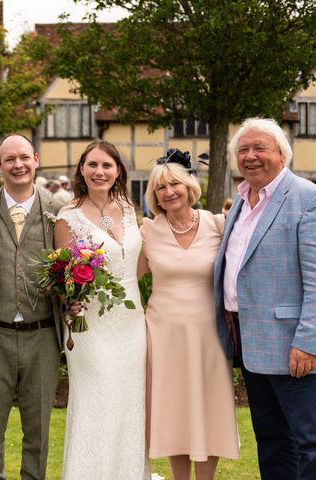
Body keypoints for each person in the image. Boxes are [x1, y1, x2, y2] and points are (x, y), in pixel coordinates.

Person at [214, 117, 316, 480]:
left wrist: (307, 341)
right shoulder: (241, 201)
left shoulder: (306, 196)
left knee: (309, 444)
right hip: (251, 345)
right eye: (243, 150)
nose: (250, 156)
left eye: (260, 148)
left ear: (282, 154)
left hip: (294, 348)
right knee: (272, 441)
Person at [138, 149, 239, 480]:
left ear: (189, 187)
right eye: (160, 188)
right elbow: (125, 281)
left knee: (208, 409)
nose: (168, 192)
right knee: (174, 412)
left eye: (174, 185)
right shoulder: (147, 231)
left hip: (209, 334)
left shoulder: (217, 224)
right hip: (163, 334)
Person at [0, 133, 62, 480]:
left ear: (36, 159)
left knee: (38, 427)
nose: (18, 165)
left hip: (43, 333)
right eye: (10, 159)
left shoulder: (59, 208)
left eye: (24, 157)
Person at [54, 139, 149, 479]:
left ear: (118, 171)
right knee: (97, 400)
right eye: (93, 165)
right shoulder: (68, 217)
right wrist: (71, 299)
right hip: (90, 323)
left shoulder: (127, 208)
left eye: (107, 165)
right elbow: (63, 277)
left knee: (128, 403)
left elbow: (137, 265)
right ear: (81, 169)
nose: (100, 171)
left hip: (131, 320)